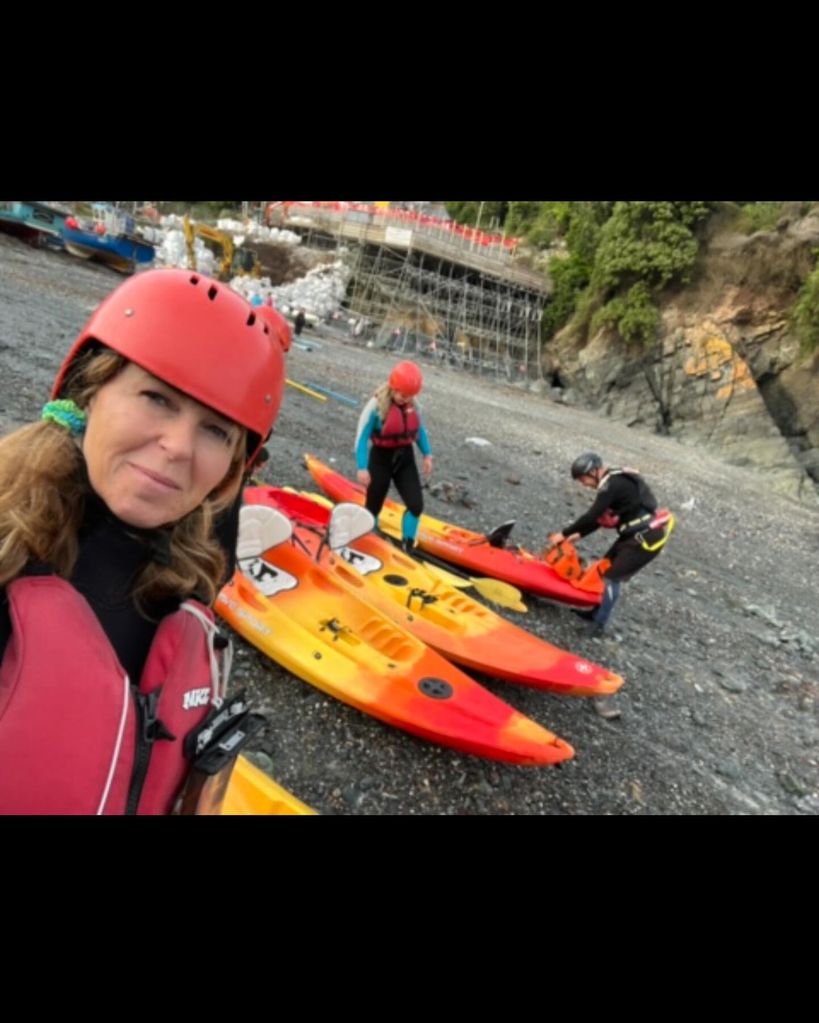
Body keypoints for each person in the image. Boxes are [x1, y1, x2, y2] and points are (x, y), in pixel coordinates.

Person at [0, 268, 288, 814]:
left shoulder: (184, 585)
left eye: (216, 431)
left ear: (233, 467)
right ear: (90, 391)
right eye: (157, 398)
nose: (178, 446)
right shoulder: (7, 551)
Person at [548, 452, 674, 636]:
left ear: (593, 472)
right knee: (605, 567)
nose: (583, 484)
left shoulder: (611, 485)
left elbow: (592, 515)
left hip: (644, 539)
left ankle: (599, 625)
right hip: (632, 535)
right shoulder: (614, 482)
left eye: (583, 479)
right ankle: (595, 612)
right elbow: (600, 518)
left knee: (611, 579)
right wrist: (579, 534)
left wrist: (564, 534)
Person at [355, 360, 433, 552]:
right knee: (373, 506)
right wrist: (362, 467)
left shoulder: (413, 405)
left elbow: (420, 430)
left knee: (416, 505)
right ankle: (369, 537)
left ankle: (407, 544)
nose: (405, 399)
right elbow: (361, 438)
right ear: (393, 386)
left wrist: (427, 455)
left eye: (410, 396)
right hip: (380, 460)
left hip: (404, 460)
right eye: (402, 395)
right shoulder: (375, 406)